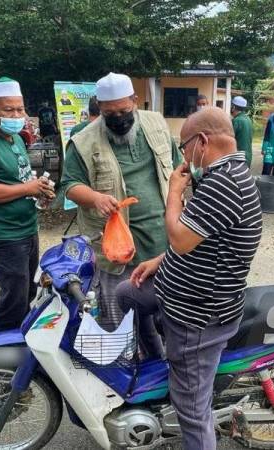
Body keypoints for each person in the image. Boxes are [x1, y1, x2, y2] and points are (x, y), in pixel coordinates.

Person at [116, 107, 262, 450]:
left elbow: (181, 237)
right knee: (127, 292)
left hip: (198, 312)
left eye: (183, 147)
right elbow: (201, 239)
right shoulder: (218, 176)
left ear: (202, 141)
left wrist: (173, 194)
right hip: (176, 287)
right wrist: (160, 260)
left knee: (193, 412)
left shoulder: (225, 183)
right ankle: (157, 361)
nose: (183, 155)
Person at [60, 72, 181, 327]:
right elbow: (70, 186)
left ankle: (158, 361)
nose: (119, 119)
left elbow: (177, 168)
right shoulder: (84, 141)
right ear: (99, 107)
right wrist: (94, 198)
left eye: (124, 111)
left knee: (166, 313)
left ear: (135, 101)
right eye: (110, 114)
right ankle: (125, 361)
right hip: (117, 251)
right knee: (120, 318)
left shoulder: (157, 124)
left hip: (162, 240)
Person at [0, 77, 55, 333]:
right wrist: (28, 188)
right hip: (3, 236)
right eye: (8, 110)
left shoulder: (15, 139)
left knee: (26, 291)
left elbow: (20, 181)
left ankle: (19, 343)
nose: (16, 115)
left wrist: (39, 193)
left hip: (26, 229)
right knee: (13, 297)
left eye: (20, 109)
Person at [230, 96, 254, 167]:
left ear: (233, 107)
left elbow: (229, 140)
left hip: (238, 158)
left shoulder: (236, 121)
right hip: (247, 157)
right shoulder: (248, 119)